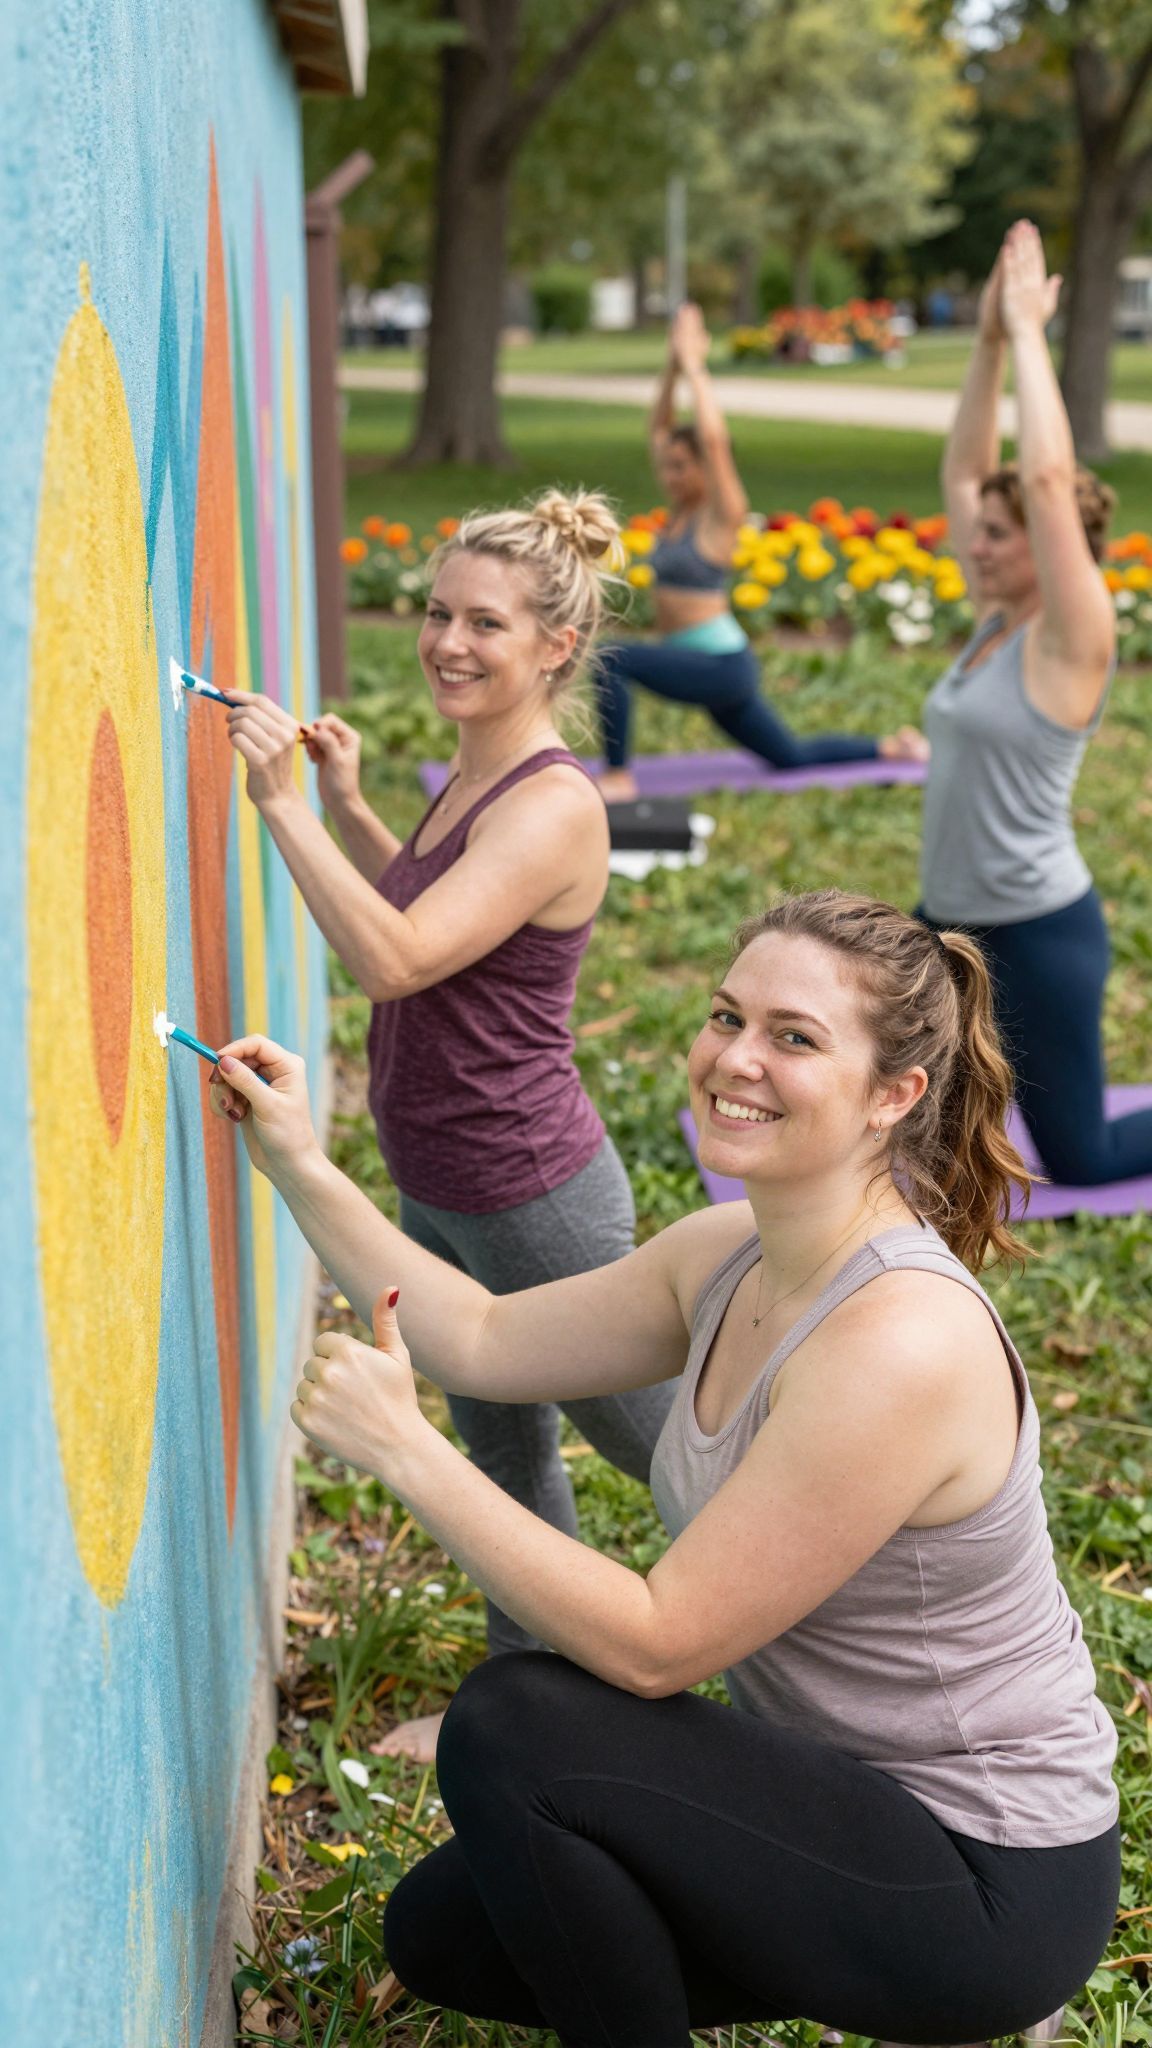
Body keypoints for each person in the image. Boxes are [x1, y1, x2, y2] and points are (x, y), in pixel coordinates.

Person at [209, 888, 1119, 2048]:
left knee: (513, 1722)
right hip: (851, 1805)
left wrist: (406, 1448)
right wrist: (298, 1162)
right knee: (446, 1933)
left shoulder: (901, 1342)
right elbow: (483, 1336)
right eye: (726, 1015)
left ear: (894, 1094)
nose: (736, 1057)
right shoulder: (728, 1253)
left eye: (794, 1036)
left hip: (988, 1872)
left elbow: (657, 1643)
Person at [223, 490, 674, 1763]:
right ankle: (530, 1705)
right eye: (437, 612)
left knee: (672, 1453)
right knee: (502, 1453)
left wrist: (282, 807)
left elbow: (400, 956)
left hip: (530, 1189)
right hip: (447, 1176)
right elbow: (432, 901)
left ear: (556, 646)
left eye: (485, 622)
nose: (447, 642)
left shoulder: (551, 802)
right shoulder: (478, 769)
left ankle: (832, 1638)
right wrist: (351, 805)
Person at [925, 217, 1152, 1186]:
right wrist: (984, 339)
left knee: (1082, 1157)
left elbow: (1048, 479)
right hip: (944, 922)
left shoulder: (1070, 641)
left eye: (999, 533)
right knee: (899, 1115)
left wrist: (1027, 330)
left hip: (1037, 929)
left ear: (1052, 549)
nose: (975, 542)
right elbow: (966, 471)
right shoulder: (995, 618)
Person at [594, 302, 926, 803]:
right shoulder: (679, 514)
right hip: (704, 662)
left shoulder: (720, 516)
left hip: (719, 665)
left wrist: (697, 369)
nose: (670, 474)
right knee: (789, 756)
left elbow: (715, 440)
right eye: (668, 467)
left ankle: (619, 776)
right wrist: (673, 364)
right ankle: (891, 747)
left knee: (611, 660)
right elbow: (660, 428)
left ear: (705, 468)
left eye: (682, 466)